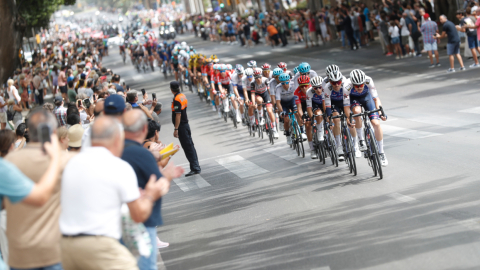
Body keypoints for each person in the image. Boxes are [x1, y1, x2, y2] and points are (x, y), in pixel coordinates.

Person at [59, 116, 173, 270]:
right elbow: (138, 215)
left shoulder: (70, 164)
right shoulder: (118, 166)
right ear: (117, 139)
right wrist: (151, 195)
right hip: (100, 244)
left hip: (66, 247)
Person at [4, 109, 74, 270]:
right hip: (54, 250)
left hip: (19, 253)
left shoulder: (9, 162)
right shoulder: (66, 160)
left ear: (28, 131)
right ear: (54, 132)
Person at [121, 110, 183, 270]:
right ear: (144, 130)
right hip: (139, 219)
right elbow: (159, 182)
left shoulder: (117, 151)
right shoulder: (142, 152)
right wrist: (168, 174)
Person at [0, 130, 62, 269]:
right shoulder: (6, 167)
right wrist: (56, 158)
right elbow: (40, 196)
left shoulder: (10, 164)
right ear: (11, 146)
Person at [171, 81, 201, 177]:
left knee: (188, 147)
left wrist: (176, 129)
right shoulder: (182, 96)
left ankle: (195, 168)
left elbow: (178, 114)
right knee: (190, 146)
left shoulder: (177, 99)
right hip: (185, 125)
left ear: (171, 89)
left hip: (182, 126)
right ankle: (195, 166)